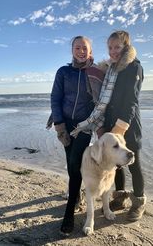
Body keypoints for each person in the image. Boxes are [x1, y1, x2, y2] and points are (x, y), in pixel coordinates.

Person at [71, 30, 146, 222]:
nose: (113, 51)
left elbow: (131, 101)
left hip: (128, 123)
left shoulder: (133, 67)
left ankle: (138, 203)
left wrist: (121, 128)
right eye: (110, 47)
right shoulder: (112, 69)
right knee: (116, 164)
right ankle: (120, 198)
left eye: (117, 47)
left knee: (134, 163)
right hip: (112, 123)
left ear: (126, 46)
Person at [50, 36, 105, 236]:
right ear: (72, 50)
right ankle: (76, 197)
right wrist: (59, 125)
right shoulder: (63, 72)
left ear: (90, 51)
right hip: (65, 125)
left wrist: (96, 126)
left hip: (84, 127)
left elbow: (102, 100)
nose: (81, 51)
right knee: (71, 164)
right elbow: (55, 98)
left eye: (85, 48)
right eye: (77, 47)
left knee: (75, 164)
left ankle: (69, 213)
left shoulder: (97, 73)